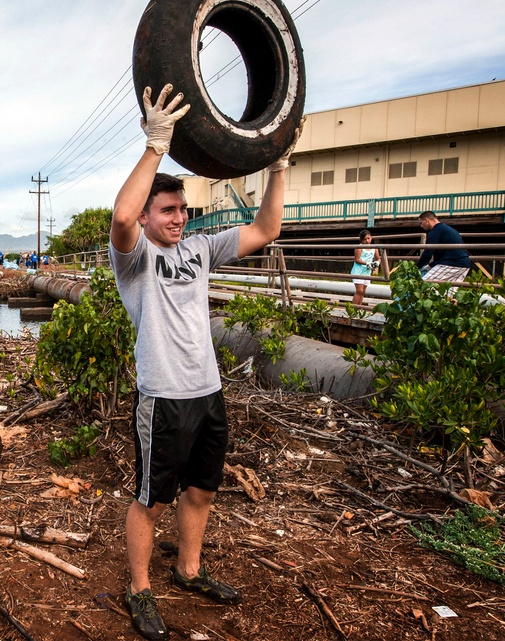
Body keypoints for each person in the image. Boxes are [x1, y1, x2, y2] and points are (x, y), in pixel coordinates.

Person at [110, 83, 300, 641]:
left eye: (182, 209)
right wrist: (155, 146)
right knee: (151, 498)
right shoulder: (136, 259)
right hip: (163, 396)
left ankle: (188, 569)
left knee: (201, 490)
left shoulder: (199, 249)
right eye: (167, 210)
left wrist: (279, 166)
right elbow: (121, 217)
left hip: (207, 392)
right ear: (149, 217)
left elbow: (266, 230)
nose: (179, 218)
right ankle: (139, 590)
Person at [416, 211, 471, 284]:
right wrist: (430, 265)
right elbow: (443, 253)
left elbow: (428, 252)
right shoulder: (447, 229)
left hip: (452, 264)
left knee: (424, 284)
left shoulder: (435, 231)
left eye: (421, 223)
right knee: (448, 291)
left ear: (426, 220)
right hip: (464, 264)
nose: (421, 226)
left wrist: (416, 267)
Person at [350, 230, 377, 306]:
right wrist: (367, 263)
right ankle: (352, 310)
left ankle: (359, 308)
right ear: (361, 240)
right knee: (359, 291)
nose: (367, 241)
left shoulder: (374, 248)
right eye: (365, 239)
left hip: (367, 271)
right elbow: (357, 259)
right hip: (358, 271)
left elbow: (378, 258)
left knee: (363, 292)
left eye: (368, 238)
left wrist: (376, 263)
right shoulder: (359, 248)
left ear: (371, 237)